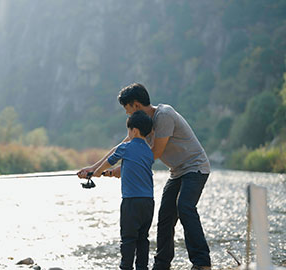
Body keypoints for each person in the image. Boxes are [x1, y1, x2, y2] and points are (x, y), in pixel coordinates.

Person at [78, 83, 211, 270]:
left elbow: (152, 155)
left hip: (195, 167)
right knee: (165, 216)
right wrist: (92, 169)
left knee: (184, 206)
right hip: (177, 171)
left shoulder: (163, 116)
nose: (127, 114)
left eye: (127, 109)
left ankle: (202, 262)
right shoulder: (141, 126)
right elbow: (122, 147)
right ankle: (161, 265)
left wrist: (121, 170)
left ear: (136, 105)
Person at [91, 110, 155, 270]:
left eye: (129, 130)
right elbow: (133, 167)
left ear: (134, 130)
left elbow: (109, 161)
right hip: (148, 202)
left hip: (131, 201)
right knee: (142, 238)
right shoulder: (149, 151)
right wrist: (111, 173)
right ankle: (142, 267)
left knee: (128, 238)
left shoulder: (125, 147)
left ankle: (126, 267)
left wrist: (96, 172)